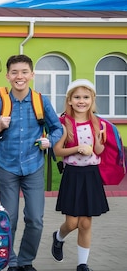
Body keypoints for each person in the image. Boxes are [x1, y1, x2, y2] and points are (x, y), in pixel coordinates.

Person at [0, 55, 63, 271]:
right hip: (7, 165)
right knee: (9, 218)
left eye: (24, 72)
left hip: (33, 165)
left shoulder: (41, 101)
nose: (20, 76)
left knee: (35, 219)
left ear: (32, 75)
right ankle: (10, 261)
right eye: (15, 72)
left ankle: (26, 260)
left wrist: (50, 141)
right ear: (8, 76)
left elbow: (58, 128)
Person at [50, 79, 109, 271]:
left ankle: (82, 264)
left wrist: (99, 141)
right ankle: (58, 237)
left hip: (91, 175)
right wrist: (77, 149)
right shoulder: (64, 123)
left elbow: (99, 150)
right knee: (72, 222)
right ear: (69, 100)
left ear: (92, 100)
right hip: (73, 175)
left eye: (86, 97)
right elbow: (58, 151)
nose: (81, 101)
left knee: (85, 223)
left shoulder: (97, 123)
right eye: (77, 97)